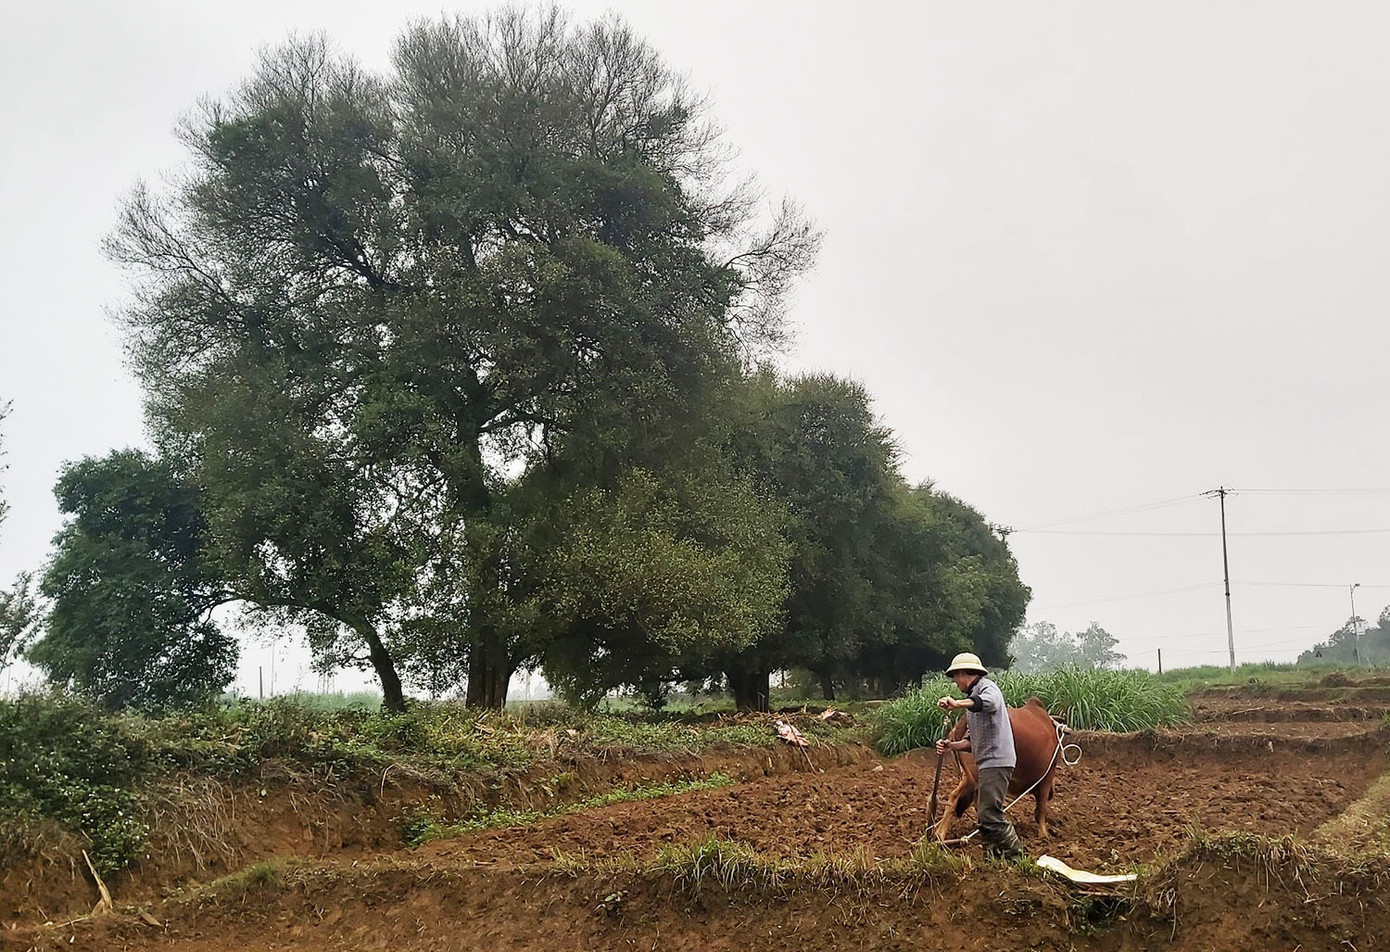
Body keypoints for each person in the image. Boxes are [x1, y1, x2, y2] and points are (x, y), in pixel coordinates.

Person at [934, 651, 1024, 859]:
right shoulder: (973, 701)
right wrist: (951, 746)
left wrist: (957, 704)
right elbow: (972, 743)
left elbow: (989, 702)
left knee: (989, 813)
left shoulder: (987, 688)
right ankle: (992, 858)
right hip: (987, 762)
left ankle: (1016, 857)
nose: (956, 681)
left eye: (956, 676)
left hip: (997, 761)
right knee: (984, 814)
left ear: (964, 674)